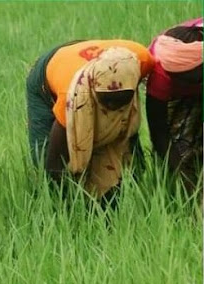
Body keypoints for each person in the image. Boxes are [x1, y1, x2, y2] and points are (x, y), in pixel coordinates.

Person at [25, 40, 154, 200]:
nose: (112, 108)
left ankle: (120, 196)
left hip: (86, 52)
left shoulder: (143, 61)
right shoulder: (73, 97)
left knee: (123, 141)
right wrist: (62, 200)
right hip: (51, 68)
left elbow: (130, 136)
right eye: (107, 102)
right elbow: (55, 161)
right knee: (43, 155)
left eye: (120, 103)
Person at [146, 18, 203, 194]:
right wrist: (184, 178)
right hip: (173, 95)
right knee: (180, 143)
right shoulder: (160, 74)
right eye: (180, 79)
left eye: (192, 79)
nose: (186, 83)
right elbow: (159, 132)